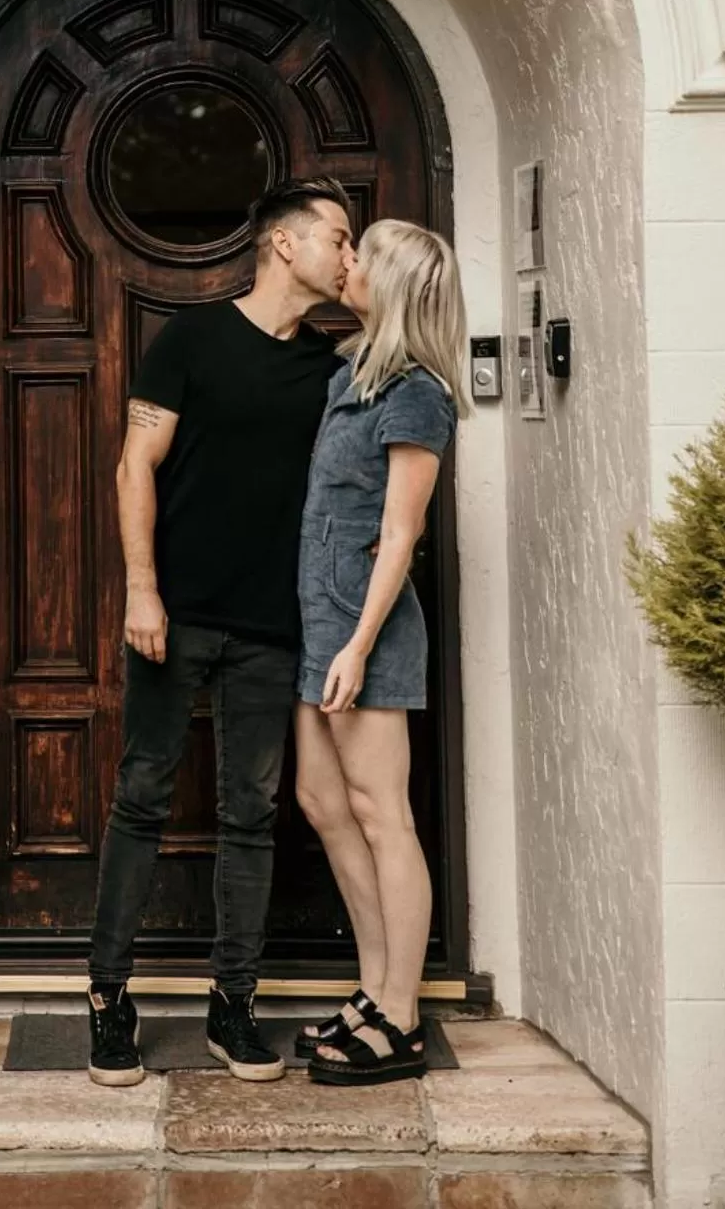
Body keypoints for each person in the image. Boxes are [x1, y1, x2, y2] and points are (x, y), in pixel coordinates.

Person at [86, 178, 356, 1087]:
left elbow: (403, 338)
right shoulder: (191, 339)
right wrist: (141, 591)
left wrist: (361, 291)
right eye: (337, 240)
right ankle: (107, 997)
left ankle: (231, 1002)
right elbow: (136, 464)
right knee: (143, 798)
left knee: (253, 814)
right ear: (283, 244)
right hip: (176, 615)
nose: (347, 257)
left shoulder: (330, 369)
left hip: (272, 626)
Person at [292, 218, 469, 1086]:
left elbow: (401, 535)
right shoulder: (354, 373)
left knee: (380, 812)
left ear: (393, 284)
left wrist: (359, 646)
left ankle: (400, 1014)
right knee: (322, 800)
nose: (346, 262)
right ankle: (372, 988)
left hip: (366, 628)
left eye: (359, 255)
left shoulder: (417, 394)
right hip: (320, 620)